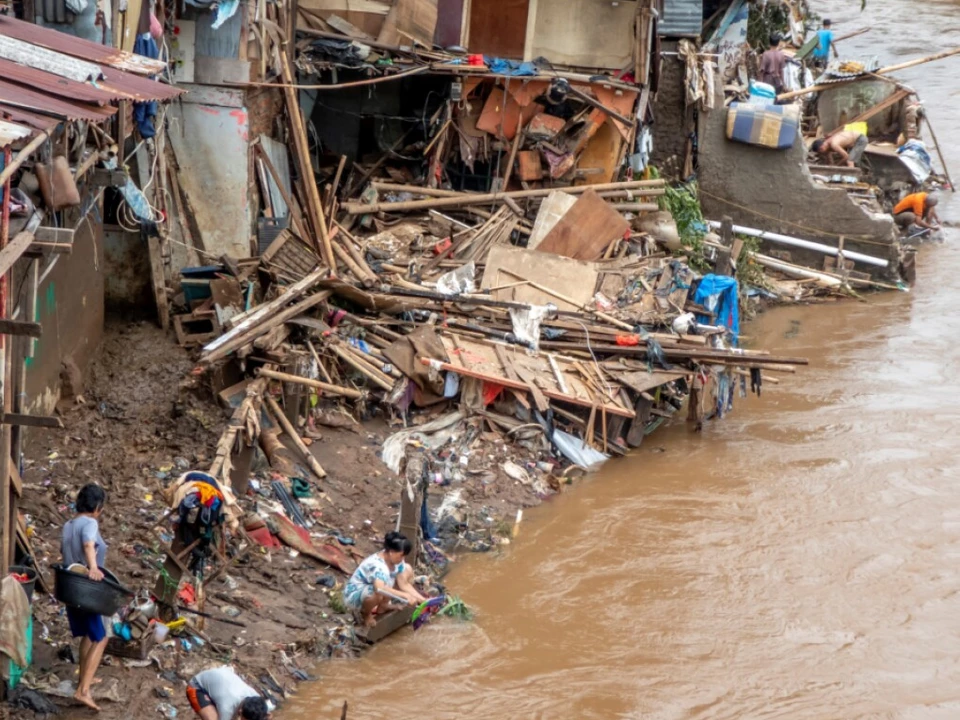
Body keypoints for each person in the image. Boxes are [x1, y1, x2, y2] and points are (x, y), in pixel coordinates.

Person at [61, 484, 109, 712]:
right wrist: (93, 567)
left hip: (70, 585)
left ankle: (85, 677)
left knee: (89, 635)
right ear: (97, 506)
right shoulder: (90, 523)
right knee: (102, 637)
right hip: (87, 587)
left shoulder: (68, 525)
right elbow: (89, 544)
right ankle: (83, 690)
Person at [343, 531, 427, 627]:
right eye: (401, 555)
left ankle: (383, 606)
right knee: (377, 592)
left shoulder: (395, 560)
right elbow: (380, 588)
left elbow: (404, 584)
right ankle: (365, 614)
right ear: (391, 552)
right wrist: (405, 595)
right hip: (355, 594)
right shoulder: (378, 566)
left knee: (406, 569)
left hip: (376, 587)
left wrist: (423, 601)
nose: (403, 558)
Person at [187, 666, 269, 720]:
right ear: (240, 712)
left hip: (219, 686)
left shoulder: (256, 699)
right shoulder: (227, 707)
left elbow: (268, 715)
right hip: (197, 687)